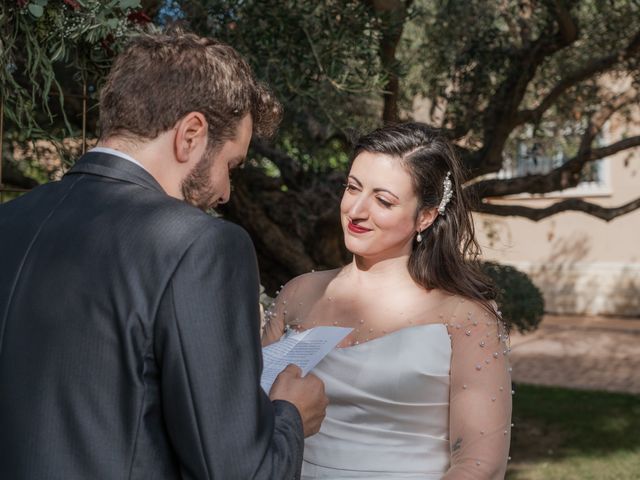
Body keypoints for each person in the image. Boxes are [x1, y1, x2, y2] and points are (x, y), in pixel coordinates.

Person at [0, 31, 328, 480]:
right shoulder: (201, 246)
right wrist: (290, 417)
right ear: (191, 134)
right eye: (230, 166)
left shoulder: (10, 221)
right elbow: (237, 472)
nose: (226, 192)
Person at [263, 122, 512, 479]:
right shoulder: (299, 293)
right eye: (352, 188)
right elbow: (249, 413)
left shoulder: (467, 319)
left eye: (383, 200)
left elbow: (479, 464)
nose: (356, 210)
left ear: (425, 216)